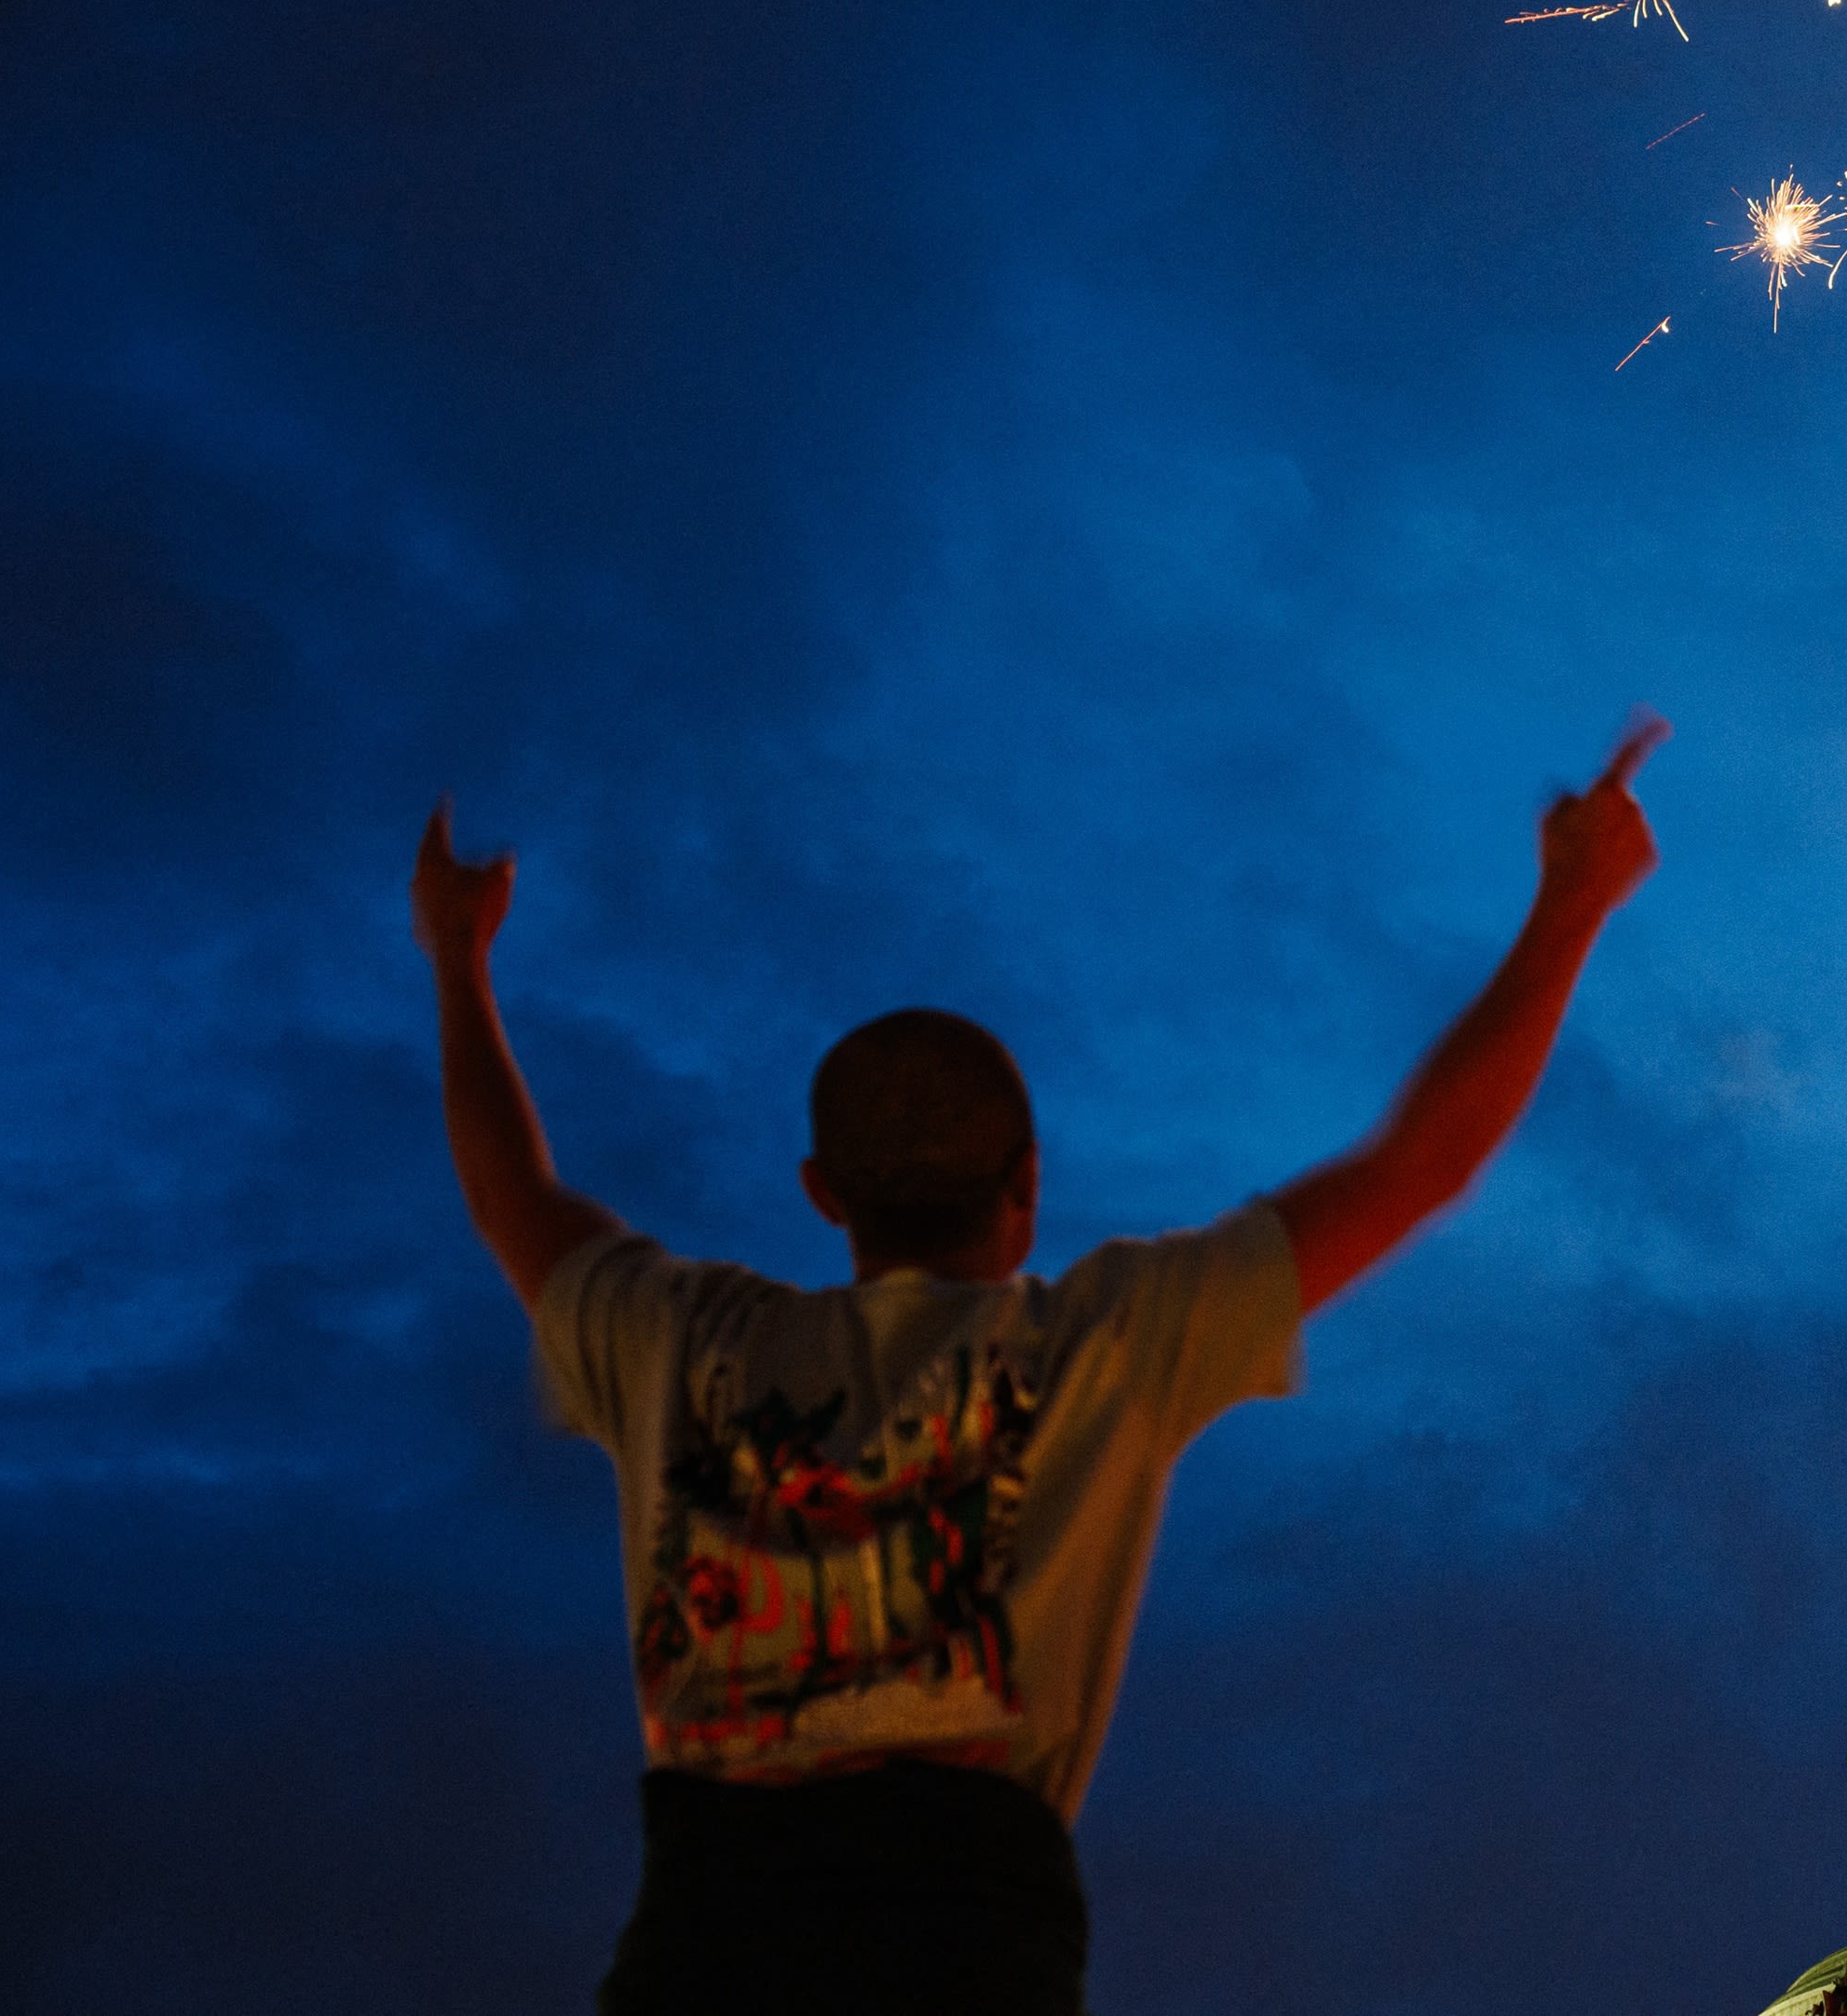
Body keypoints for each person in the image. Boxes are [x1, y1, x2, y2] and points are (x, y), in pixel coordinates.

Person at [412, 716, 1667, 2014]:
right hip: (968, 1934)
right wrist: (1572, 901)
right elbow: (1420, 1162)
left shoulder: (679, 1338)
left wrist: (458, 959)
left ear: (822, 1191)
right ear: (1027, 1185)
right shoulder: (1106, 1340)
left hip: (701, 1929)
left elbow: (514, 1198)